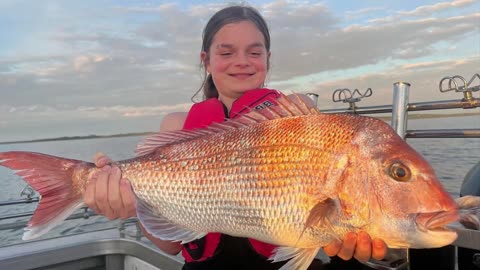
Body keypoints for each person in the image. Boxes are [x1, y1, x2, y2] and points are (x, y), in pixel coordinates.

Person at [84, 5, 387, 269]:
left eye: (254, 52)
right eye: (226, 52)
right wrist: (130, 206)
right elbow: (172, 246)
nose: (241, 61)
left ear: (268, 58)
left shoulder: (297, 117)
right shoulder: (177, 125)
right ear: (206, 59)